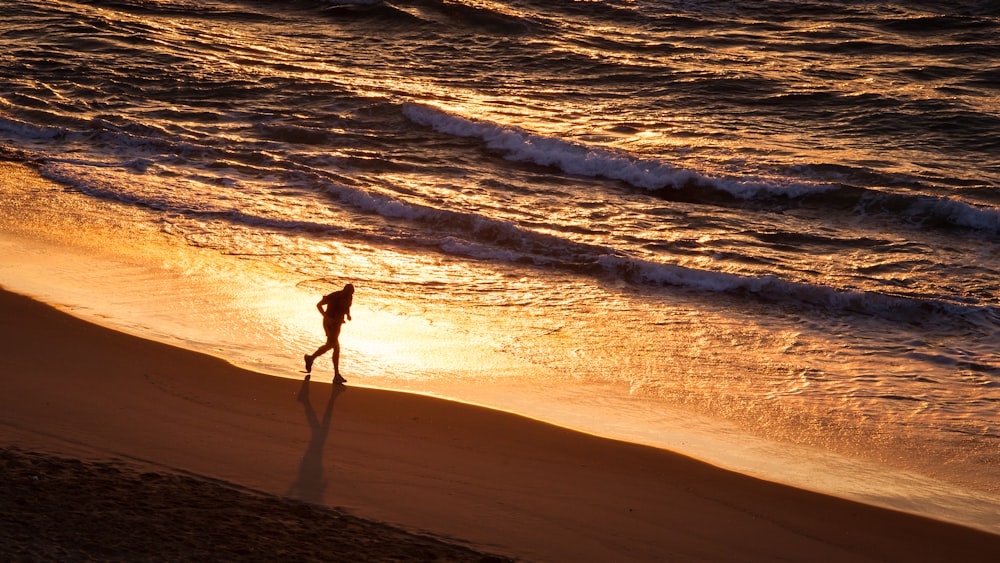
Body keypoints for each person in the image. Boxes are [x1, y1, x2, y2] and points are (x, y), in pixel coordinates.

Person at [304, 283, 354, 383]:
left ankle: (310, 358)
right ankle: (336, 375)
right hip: (329, 323)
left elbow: (347, 306)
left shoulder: (349, 297)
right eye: (347, 293)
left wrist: (348, 315)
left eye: (350, 294)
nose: (349, 296)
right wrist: (326, 317)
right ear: (343, 291)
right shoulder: (335, 296)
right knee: (335, 346)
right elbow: (319, 305)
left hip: (338, 324)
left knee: (330, 345)